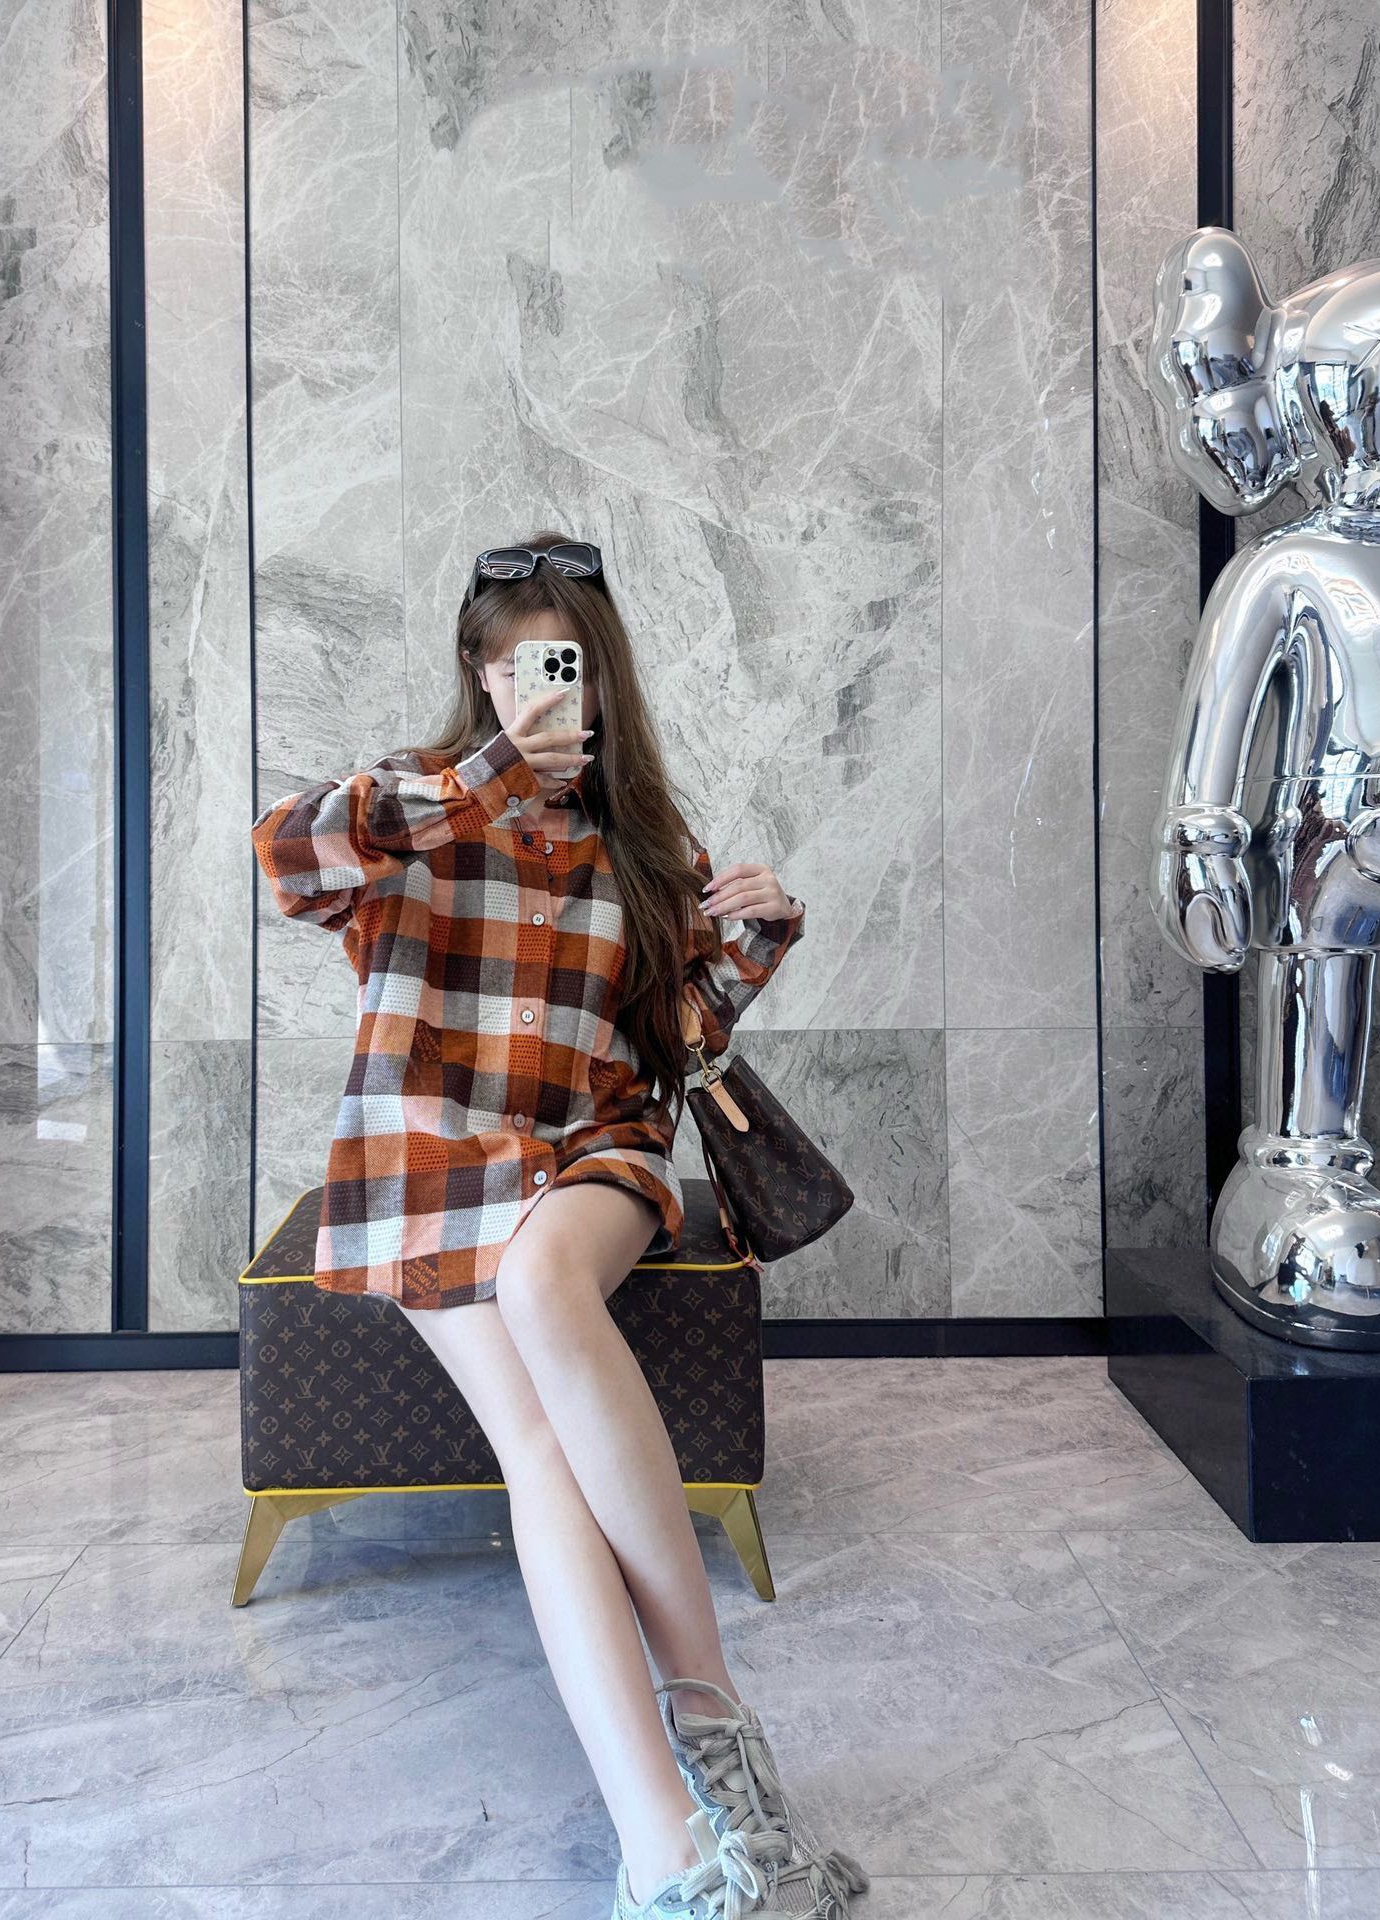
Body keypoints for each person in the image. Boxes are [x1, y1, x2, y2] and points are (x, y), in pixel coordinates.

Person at [250, 531, 868, 1919]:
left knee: (543, 1289)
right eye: (523, 665)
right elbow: (284, 859)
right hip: (427, 1169)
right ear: (482, 673)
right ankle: (672, 1837)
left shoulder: (641, 844)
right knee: (536, 1451)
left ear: (604, 679)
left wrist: (753, 939)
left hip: (595, 1154)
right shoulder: (412, 809)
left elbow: (673, 1040)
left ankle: (704, 1720)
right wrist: (485, 779)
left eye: (570, 665)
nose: (547, 689)